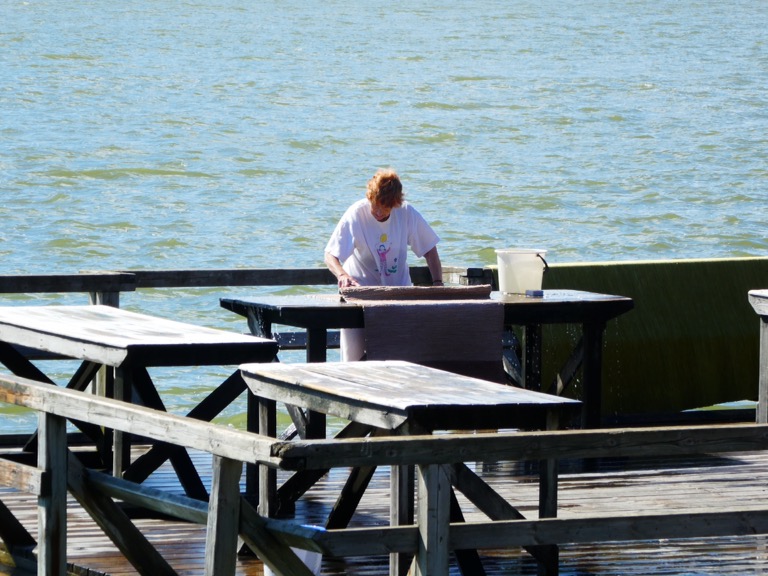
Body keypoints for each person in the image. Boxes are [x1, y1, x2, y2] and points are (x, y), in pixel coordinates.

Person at [324, 168, 444, 360]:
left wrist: (438, 282)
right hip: (360, 295)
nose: (379, 212)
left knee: (400, 357)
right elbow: (330, 255)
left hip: (398, 296)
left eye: (385, 207)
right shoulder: (356, 214)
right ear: (369, 197)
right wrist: (342, 275)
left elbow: (430, 249)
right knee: (353, 360)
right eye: (375, 205)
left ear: (396, 204)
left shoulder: (406, 213)